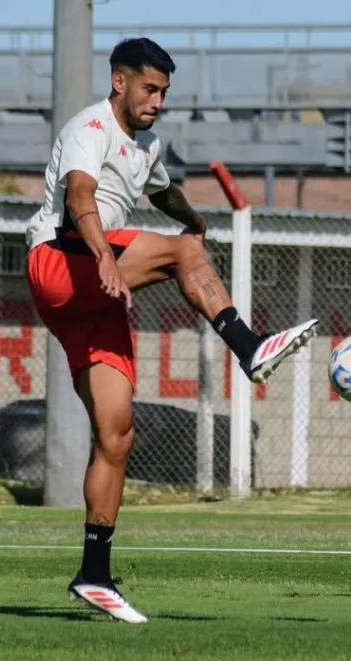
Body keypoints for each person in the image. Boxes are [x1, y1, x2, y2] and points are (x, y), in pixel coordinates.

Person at [24, 37, 318, 623]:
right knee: (185, 256)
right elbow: (80, 194)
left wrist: (195, 219)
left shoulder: (147, 145)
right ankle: (250, 347)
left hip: (92, 293)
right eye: (149, 89)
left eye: (164, 92)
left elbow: (161, 189)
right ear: (119, 83)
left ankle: (94, 574)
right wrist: (108, 257)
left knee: (116, 435)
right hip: (62, 262)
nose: (157, 100)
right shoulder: (90, 125)